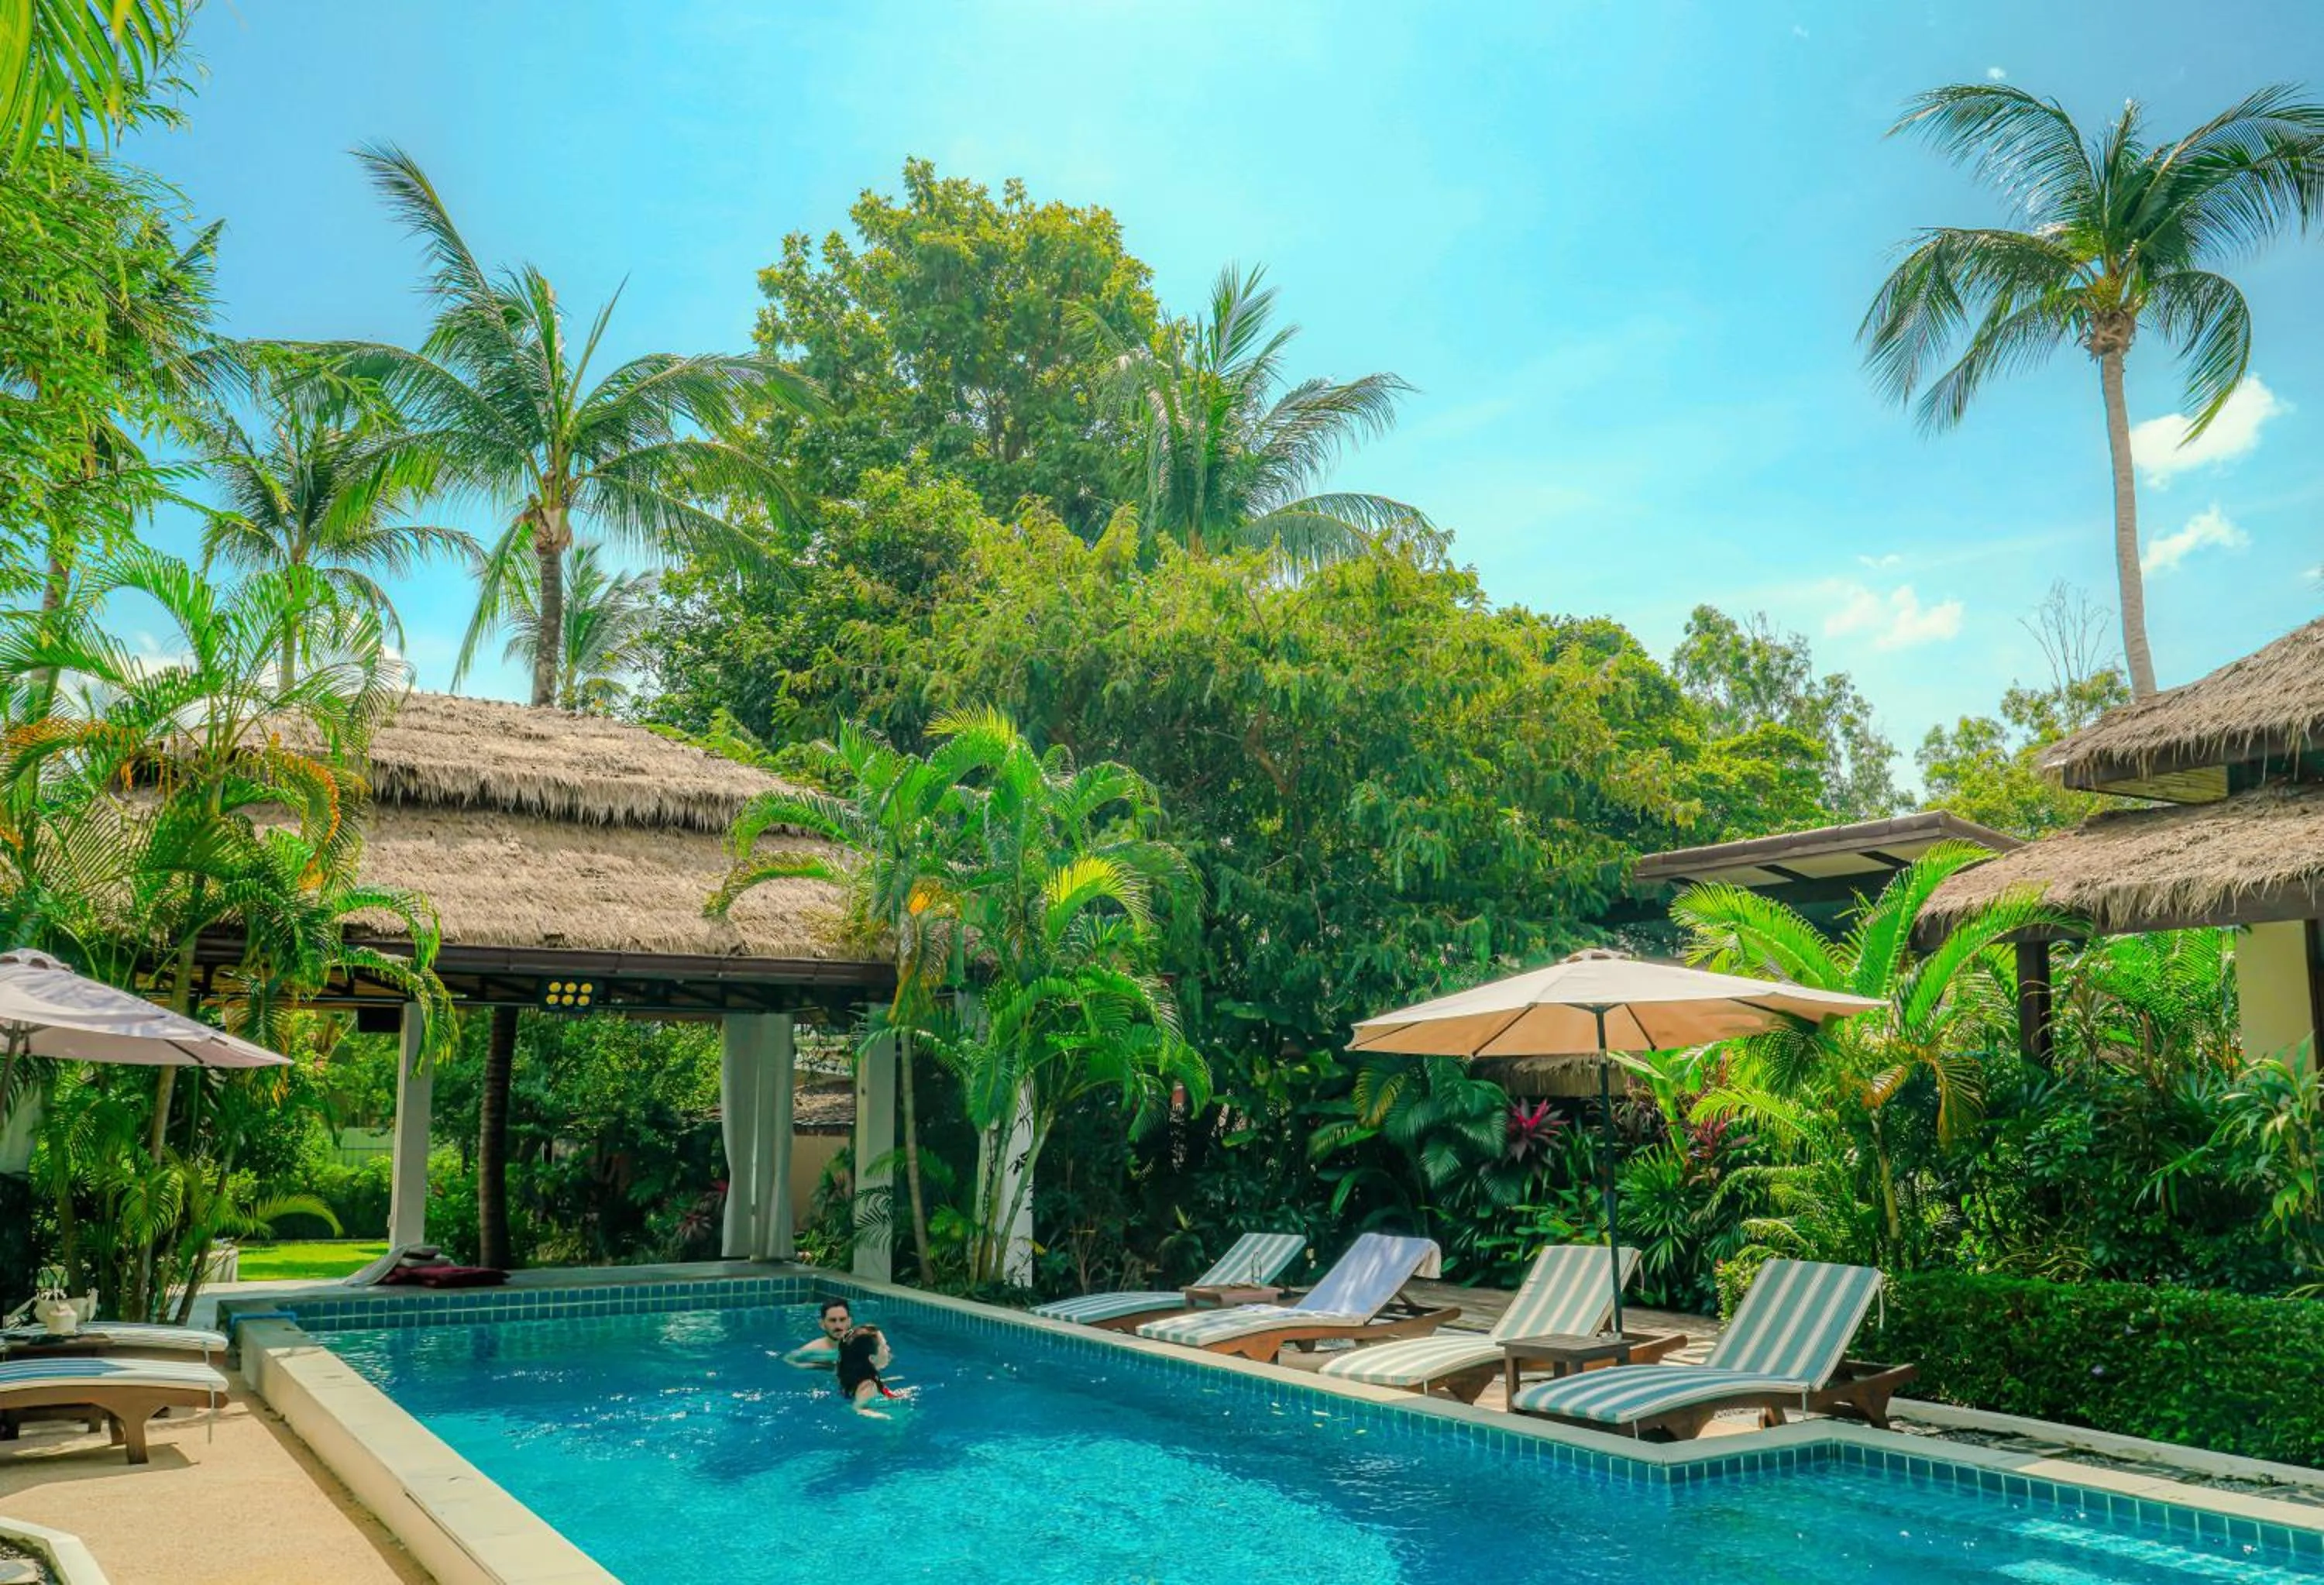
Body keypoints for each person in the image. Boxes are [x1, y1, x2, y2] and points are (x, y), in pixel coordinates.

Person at [834, 1324, 913, 1418]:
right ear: (872, 1358)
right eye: (884, 1346)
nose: (888, 1349)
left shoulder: (864, 1378)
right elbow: (856, 1408)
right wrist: (883, 1417)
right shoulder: (868, 1386)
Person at [783, 1297, 852, 1368]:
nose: (838, 1326)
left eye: (842, 1320)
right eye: (832, 1320)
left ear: (849, 1322)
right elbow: (788, 1360)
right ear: (822, 1324)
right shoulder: (812, 1349)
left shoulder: (861, 1345)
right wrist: (817, 1366)